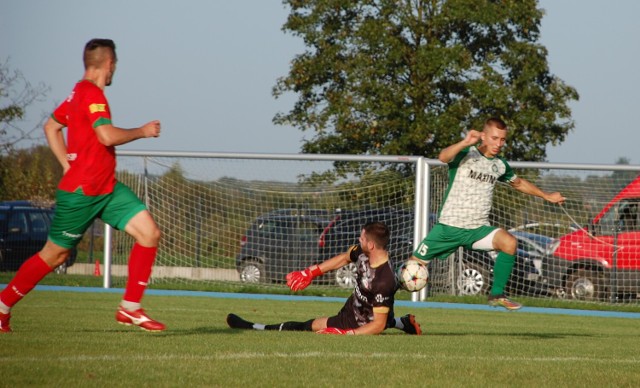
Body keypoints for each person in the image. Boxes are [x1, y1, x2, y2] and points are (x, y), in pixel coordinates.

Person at [0, 38, 165, 333]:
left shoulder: (78, 91)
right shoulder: (91, 94)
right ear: (109, 64)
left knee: (149, 234)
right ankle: (1, 307)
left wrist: (66, 162)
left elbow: (51, 126)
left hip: (106, 188)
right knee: (55, 255)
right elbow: (106, 136)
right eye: (115, 66)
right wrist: (143, 131)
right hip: (82, 193)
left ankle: (130, 308)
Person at [411, 117, 565, 310]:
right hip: (449, 228)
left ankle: (497, 294)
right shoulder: (466, 153)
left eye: (502, 139)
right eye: (494, 138)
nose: (498, 143)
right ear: (483, 136)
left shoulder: (499, 165)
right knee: (411, 268)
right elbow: (443, 157)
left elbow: (518, 183)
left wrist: (546, 196)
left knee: (509, 242)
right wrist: (465, 142)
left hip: (478, 230)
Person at [227, 221, 421, 335]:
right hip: (352, 310)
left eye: (362, 238)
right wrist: (310, 272)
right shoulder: (363, 253)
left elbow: (377, 325)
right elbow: (343, 258)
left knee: (306, 326)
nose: (358, 240)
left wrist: (346, 334)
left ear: (371, 245)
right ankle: (402, 323)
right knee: (382, 315)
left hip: (356, 323)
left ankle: (255, 326)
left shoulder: (384, 279)